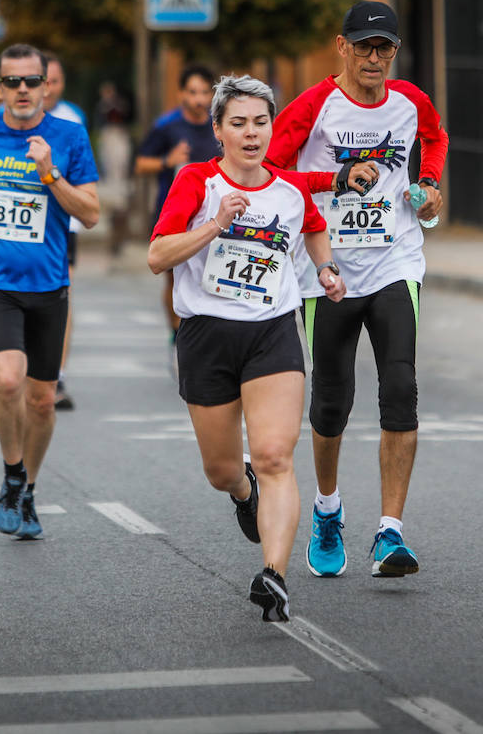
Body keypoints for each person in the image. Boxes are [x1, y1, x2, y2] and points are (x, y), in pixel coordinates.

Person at [148, 74, 347, 622]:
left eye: (261, 122)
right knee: (221, 470)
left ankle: (274, 575)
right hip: (207, 335)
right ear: (218, 130)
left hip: (271, 332)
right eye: (238, 123)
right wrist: (217, 224)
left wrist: (327, 268)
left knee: (276, 456)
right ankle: (242, 492)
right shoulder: (196, 181)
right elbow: (158, 255)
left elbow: (313, 227)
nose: (252, 133)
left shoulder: (289, 188)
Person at [266, 0, 448, 579]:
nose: (374, 57)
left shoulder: (409, 101)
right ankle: (327, 508)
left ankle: (390, 533)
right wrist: (333, 178)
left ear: (395, 51)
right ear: (341, 46)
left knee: (400, 384)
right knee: (332, 399)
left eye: (385, 47)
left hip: (396, 260)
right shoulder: (314, 105)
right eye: (364, 46)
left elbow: (435, 138)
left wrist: (427, 184)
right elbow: (269, 169)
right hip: (328, 270)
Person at [0, 44, 99, 540]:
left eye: (33, 81)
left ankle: (28, 488)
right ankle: (12, 473)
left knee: (42, 401)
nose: (24, 90)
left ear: (47, 85)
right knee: (8, 380)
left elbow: (91, 214)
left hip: (49, 283)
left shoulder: (69, 136)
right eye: (13, 82)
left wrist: (50, 172)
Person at [134, 64, 219, 354]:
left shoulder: (220, 125)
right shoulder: (167, 126)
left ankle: (206, 327)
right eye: (192, 92)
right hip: (174, 212)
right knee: (174, 276)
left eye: (204, 92)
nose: (199, 99)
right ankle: (176, 332)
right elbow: (141, 164)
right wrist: (166, 162)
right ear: (181, 93)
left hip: (214, 214)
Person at [40, 52, 87, 410]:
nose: (49, 89)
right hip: (18, 228)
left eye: (55, 81)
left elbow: (86, 176)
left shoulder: (73, 120)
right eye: (44, 81)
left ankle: (57, 375)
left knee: (61, 296)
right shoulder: (8, 121)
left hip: (61, 224)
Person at [93, 80, 134, 259]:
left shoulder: (120, 105)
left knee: (119, 168)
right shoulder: (102, 107)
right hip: (108, 136)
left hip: (118, 135)